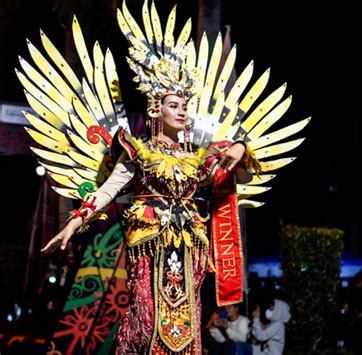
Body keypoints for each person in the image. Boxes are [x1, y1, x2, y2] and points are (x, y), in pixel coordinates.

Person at [19, 1, 308, 353]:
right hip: (149, 244)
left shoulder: (200, 158)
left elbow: (241, 177)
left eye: (185, 105)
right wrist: (74, 223)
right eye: (175, 104)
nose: (182, 109)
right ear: (156, 109)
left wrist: (241, 150)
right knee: (147, 315)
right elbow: (108, 190)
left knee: (187, 318)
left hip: (189, 247)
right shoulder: (138, 152)